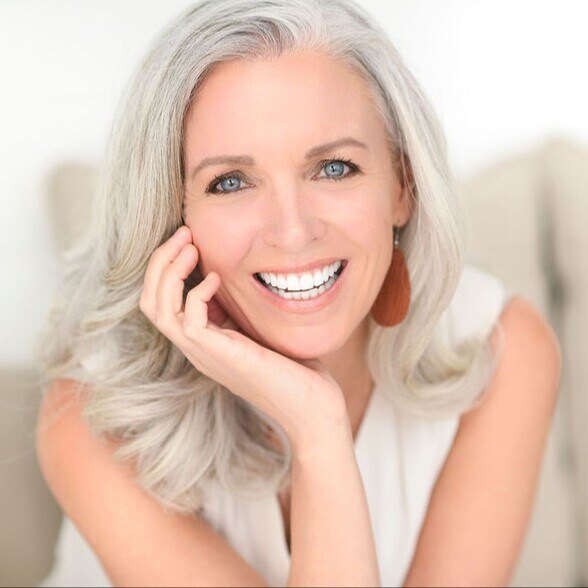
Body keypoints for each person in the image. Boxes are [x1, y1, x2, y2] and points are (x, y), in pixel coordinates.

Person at [36, 0, 561, 586]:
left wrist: (315, 430)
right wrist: (318, 430)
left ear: (403, 187)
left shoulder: (502, 348)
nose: (292, 232)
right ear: (171, 215)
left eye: (334, 168)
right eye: (230, 182)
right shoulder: (93, 414)